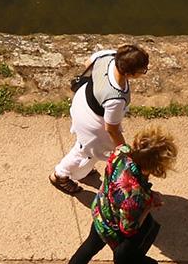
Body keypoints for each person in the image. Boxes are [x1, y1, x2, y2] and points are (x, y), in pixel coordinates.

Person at [60, 126, 178, 264]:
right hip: (115, 227)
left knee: (89, 246)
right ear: (154, 167)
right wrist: (149, 205)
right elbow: (129, 228)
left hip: (102, 211)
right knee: (128, 258)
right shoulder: (136, 196)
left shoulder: (121, 152)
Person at [49, 43, 149, 196]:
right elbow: (112, 129)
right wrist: (124, 151)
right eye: (143, 70)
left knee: (87, 149)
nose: (144, 72)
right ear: (129, 73)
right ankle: (60, 175)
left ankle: (83, 170)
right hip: (92, 122)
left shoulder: (108, 55)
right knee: (84, 150)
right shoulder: (116, 98)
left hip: (82, 100)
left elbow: (88, 63)